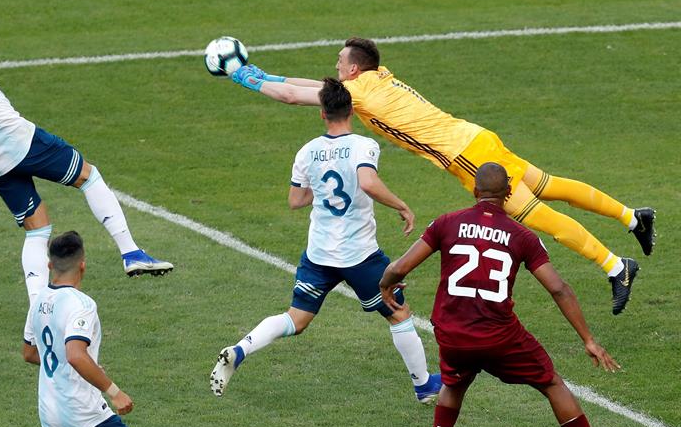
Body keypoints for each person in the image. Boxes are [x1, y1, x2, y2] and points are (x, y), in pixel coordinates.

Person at [229, 37, 654, 315]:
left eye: (340, 63)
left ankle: (616, 266)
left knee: (537, 216)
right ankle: (633, 217)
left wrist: (241, 76)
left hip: (465, 156)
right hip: (476, 137)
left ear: (355, 70)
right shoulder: (378, 78)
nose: (336, 68)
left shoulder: (357, 89)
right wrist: (265, 73)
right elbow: (307, 85)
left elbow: (291, 96)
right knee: (550, 185)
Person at [378, 162, 633, 427]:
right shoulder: (522, 236)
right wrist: (588, 339)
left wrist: (386, 284)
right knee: (551, 382)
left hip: (453, 334)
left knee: (454, 383)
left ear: (474, 190)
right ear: (509, 194)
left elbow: (399, 268)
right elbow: (558, 288)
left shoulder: (446, 223)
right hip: (499, 336)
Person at [0, 10, 172, 307]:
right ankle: (132, 254)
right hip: (25, 144)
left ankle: (38, 304)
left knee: (37, 229)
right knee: (89, 177)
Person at [210, 77, 441, 402]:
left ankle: (240, 349)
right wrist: (401, 205)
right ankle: (424, 385)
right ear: (352, 110)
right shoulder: (364, 145)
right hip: (359, 255)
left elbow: (295, 199)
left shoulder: (307, 151)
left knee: (296, 318)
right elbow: (368, 182)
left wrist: (320, 190)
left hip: (318, 254)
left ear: (322, 113)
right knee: (398, 313)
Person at [22, 231, 153, 427]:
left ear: (50, 265)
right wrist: (114, 392)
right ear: (83, 264)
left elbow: (29, 353)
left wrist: (83, 365)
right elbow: (75, 355)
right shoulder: (81, 305)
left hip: (51, 410)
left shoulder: (38, 302)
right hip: (82, 410)